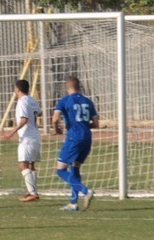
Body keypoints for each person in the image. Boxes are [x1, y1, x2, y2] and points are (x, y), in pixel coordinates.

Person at [52, 75, 98, 212]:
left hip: (73, 138)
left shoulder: (65, 100)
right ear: (79, 87)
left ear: (67, 88)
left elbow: (54, 119)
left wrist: (57, 129)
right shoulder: (88, 101)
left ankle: (85, 191)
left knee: (60, 170)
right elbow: (96, 123)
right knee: (75, 168)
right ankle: (73, 203)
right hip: (87, 138)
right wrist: (83, 125)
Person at [3, 79, 42, 202]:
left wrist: (11, 133)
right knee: (31, 165)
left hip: (27, 137)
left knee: (22, 165)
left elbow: (24, 119)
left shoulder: (21, 101)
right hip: (36, 135)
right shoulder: (32, 100)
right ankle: (33, 192)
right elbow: (39, 113)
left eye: (15, 88)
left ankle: (32, 193)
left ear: (18, 89)